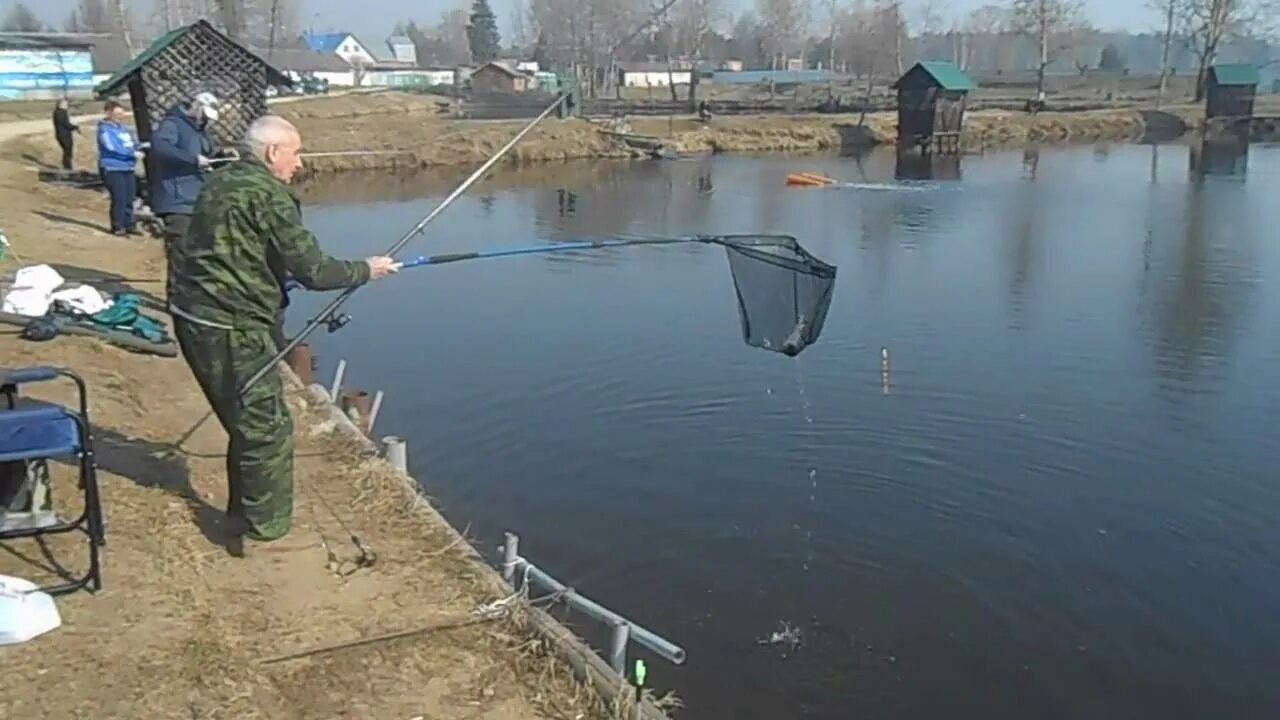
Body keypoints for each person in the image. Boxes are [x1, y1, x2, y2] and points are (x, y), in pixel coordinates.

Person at [169, 115, 398, 556]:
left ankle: (243, 515)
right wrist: (368, 270)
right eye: (296, 152)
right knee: (267, 429)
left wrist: (271, 277)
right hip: (229, 326)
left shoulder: (224, 180)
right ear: (274, 152)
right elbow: (315, 270)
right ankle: (263, 535)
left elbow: (239, 249)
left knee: (246, 423)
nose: (300, 161)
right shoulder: (269, 195)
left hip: (193, 315)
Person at [150, 91, 220, 302]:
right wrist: (192, 159)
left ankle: (193, 298)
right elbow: (159, 147)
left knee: (197, 254)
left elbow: (209, 152)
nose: (206, 121)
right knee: (180, 253)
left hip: (197, 201)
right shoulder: (173, 124)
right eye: (205, 116)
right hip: (177, 201)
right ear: (197, 107)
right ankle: (177, 302)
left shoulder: (201, 132)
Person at [96, 100, 141, 235]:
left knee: (130, 197)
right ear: (109, 113)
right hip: (112, 168)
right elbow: (111, 148)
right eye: (117, 114)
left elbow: (132, 143)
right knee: (119, 197)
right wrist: (131, 153)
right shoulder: (104, 130)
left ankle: (129, 224)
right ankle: (118, 226)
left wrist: (140, 148)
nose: (120, 117)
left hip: (128, 167)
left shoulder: (124, 129)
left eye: (122, 114)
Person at [52, 99, 79, 170]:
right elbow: (66, 124)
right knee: (68, 152)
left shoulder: (57, 111)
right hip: (64, 136)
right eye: (65, 104)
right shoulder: (61, 112)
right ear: (61, 105)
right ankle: (68, 168)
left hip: (61, 135)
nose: (67, 106)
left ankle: (67, 167)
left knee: (67, 152)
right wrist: (75, 127)